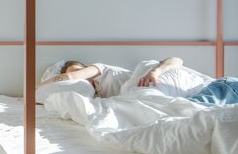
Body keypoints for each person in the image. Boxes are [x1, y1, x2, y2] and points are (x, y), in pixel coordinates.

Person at [43, 58, 238, 105]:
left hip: (222, 86)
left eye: (79, 70)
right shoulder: (98, 99)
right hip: (195, 96)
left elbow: (177, 60)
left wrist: (155, 71)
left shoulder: (100, 69)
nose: (80, 77)